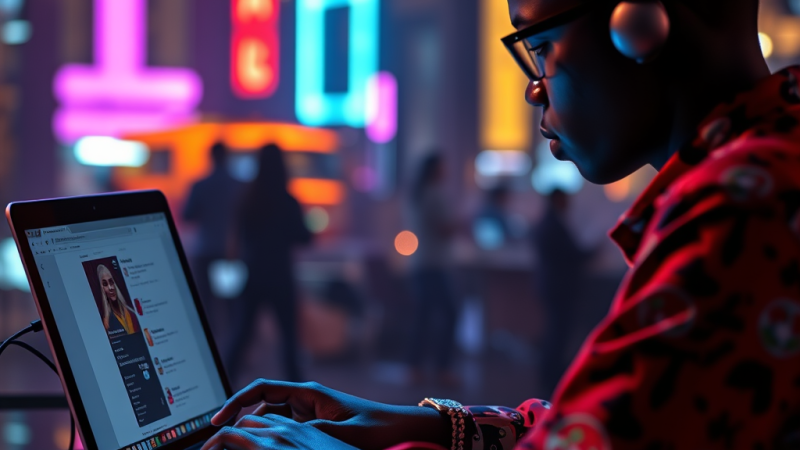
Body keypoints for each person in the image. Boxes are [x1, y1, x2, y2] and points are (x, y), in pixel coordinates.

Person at [202, 1, 800, 449]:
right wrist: (427, 424)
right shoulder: (769, 161)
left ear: (640, 19)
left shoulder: (748, 201)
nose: (535, 89)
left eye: (541, 46)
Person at [226, 144, 312, 383]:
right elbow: (304, 237)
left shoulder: (248, 199)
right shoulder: (287, 201)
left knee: (241, 334)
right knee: (289, 341)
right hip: (280, 275)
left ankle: (222, 387)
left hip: (252, 275)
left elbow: (240, 237)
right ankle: (298, 396)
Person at [530, 189, 594, 398]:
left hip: (551, 286)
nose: (569, 203)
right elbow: (572, 254)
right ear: (557, 199)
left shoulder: (547, 222)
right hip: (560, 287)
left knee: (555, 333)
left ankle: (549, 378)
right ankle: (551, 380)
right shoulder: (554, 224)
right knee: (558, 335)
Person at [406, 153, 459, 385]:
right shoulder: (435, 194)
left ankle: (415, 367)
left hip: (421, 263)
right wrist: (462, 221)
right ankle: (442, 368)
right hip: (435, 265)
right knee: (449, 314)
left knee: (424, 317)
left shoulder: (419, 194)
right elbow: (444, 229)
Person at [182, 142, 245, 332]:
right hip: (230, 252)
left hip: (205, 249)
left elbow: (188, 215)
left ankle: (211, 345)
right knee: (231, 304)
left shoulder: (200, 185)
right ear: (227, 157)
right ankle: (231, 348)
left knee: (207, 306)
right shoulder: (239, 186)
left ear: (211, 157)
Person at [97, 264, 140, 336]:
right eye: (105, 284)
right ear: (102, 289)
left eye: (111, 282)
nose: (110, 288)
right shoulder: (106, 322)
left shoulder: (131, 312)